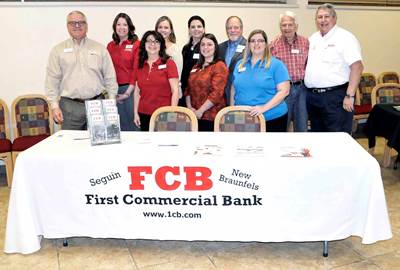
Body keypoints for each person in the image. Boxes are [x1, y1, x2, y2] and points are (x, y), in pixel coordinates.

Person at [45, 10, 117, 130]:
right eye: (73, 23)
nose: (77, 26)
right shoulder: (57, 51)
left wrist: (112, 102)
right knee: (71, 145)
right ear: (67, 26)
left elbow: (110, 77)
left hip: (97, 105)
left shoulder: (100, 49)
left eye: (81, 22)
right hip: (69, 107)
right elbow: (52, 81)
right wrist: (54, 106)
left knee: (98, 145)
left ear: (86, 26)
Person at [304, 3, 363, 134]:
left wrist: (350, 95)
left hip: (336, 98)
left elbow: (357, 67)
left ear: (335, 19)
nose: (323, 20)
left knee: (338, 138)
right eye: (319, 17)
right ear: (316, 20)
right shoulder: (313, 38)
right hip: (313, 98)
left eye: (326, 16)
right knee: (318, 138)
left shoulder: (346, 38)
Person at [231, 29, 290, 132]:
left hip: (272, 118)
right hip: (243, 118)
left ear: (266, 44)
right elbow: (233, 89)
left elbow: (284, 91)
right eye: (253, 41)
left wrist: (263, 108)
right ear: (248, 44)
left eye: (260, 41)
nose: (256, 44)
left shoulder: (276, 65)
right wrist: (232, 110)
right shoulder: (240, 64)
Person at [270, 11, 309, 132]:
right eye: (283, 25)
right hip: (283, 90)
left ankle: (302, 150)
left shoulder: (306, 42)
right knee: (282, 123)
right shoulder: (273, 45)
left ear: (296, 26)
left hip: (302, 89)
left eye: (290, 25)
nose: (287, 28)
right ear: (280, 27)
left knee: (302, 125)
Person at [133, 31, 179, 131]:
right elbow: (137, 92)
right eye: (149, 41)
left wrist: (172, 113)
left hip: (163, 114)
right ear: (144, 44)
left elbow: (175, 91)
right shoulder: (140, 65)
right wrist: (135, 113)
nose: (152, 44)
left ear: (161, 45)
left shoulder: (169, 63)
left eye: (156, 41)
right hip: (143, 114)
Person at [185, 33, 228, 131]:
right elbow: (188, 90)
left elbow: (216, 93)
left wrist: (200, 111)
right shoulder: (196, 67)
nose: (205, 47)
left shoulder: (219, 66)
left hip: (211, 118)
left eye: (209, 44)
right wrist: (190, 108)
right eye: (203, 44)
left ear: (215, 47)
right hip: (194, 115)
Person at [107, 13, 140, 131]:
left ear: (130, 27)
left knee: (133, 127)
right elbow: (107, 70)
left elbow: (136, 70)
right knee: (118, 127)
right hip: (114, 92)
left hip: (130, 91)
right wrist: (111, 92)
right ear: (115, 27)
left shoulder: (136, 44)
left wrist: (127, 93)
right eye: (119, 24)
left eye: (125, 24)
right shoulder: (110, 46)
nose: (122, 27)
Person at [218, 16, 247, 103]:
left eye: (236, 27)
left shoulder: (250, 46)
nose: (232, 30)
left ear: (241, 29)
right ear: (226, 30)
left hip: (241, 93)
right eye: (229, 28)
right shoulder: (220, 47)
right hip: (223, 94)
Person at [155, 16, 183, 99]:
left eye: (166, 27)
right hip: (155, 93)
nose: (163, 30)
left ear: (171, 30)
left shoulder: (175, 49)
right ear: (156, 29)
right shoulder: (152, 48)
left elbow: (178, 74)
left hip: (171, 93)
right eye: (160, 27)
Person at [180, 15, 205, 106]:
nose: (196, 29)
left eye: (199, 26)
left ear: (203, 29)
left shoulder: (207, 47)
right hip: (185, 90)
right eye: (193, 27)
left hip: (199, 91)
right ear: (189, 30)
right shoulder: (185, 48)